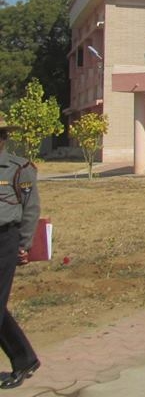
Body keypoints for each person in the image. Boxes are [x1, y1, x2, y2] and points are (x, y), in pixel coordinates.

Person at [0, 123, 41, 389]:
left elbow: (30, 208)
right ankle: (25, 358)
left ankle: (24, 360)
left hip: (5, 239)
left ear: (2, 139)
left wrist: (24, 244)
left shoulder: (19, 168)